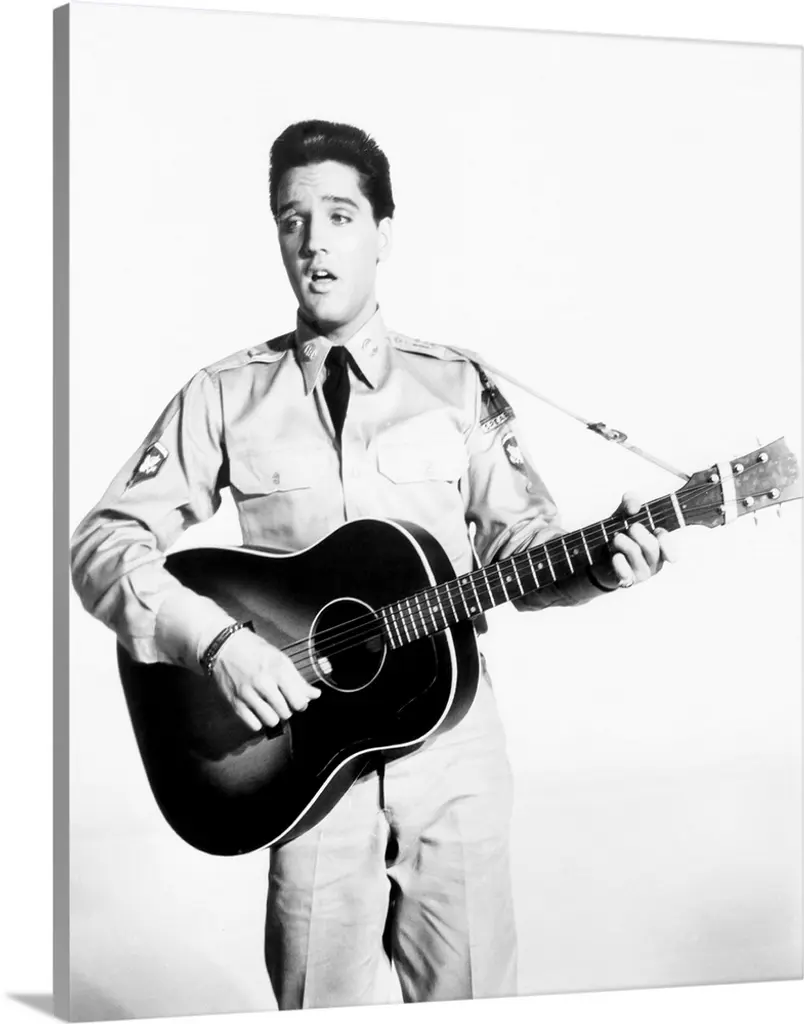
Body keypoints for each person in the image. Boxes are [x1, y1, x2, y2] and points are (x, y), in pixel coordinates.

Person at [71, 119, 676, 1009]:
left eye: (340, 215)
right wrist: (217, 643)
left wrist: (601, 566)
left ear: (383, 235)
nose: (314, 242)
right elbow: (104, 543)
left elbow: (519, 546)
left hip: (452, 750)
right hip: (302, 763)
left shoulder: (457, 382)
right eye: (292, 219)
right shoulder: (223, 394)